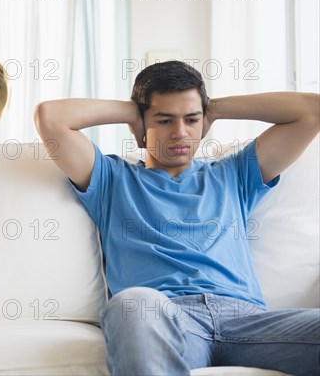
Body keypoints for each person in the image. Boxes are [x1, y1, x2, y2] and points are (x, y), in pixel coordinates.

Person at [34, 61, 320, 376]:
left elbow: (312, 111)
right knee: (131, 305)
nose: (180, 132)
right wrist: (133, 112)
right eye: (165, 119)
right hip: (165, 317)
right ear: (139, 126)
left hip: (246, 321)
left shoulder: (235, 173)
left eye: (191, 119)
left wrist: (212, 108)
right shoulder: (111, 179)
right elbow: (51, 117)